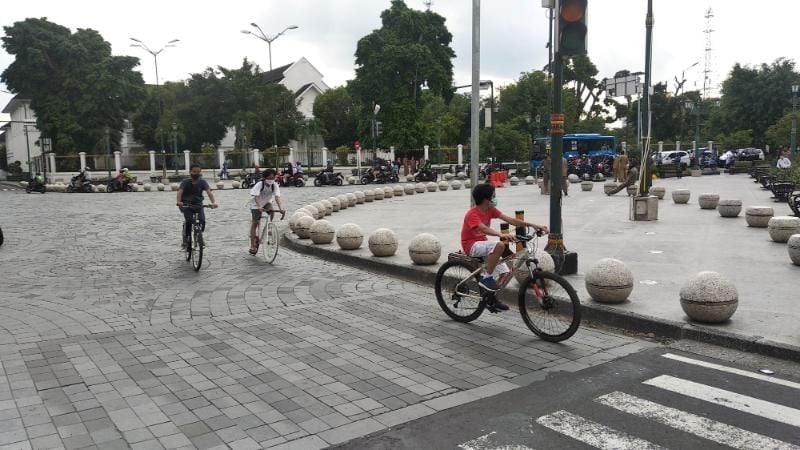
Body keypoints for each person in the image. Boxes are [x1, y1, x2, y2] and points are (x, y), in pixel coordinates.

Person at [461, 184, 549, 309]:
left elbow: (511, 220)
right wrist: (501, 234)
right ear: (486, 199)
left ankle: (491, 299)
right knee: (499, 245)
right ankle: (486, 278)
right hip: (471, 245)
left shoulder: (490, 210)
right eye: (493, 195)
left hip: (483, 244)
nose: (495, 197)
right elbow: (483, 228)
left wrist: (534, 225)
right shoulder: (472, 214)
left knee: (505, 274)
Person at [176, 164, 218, 249]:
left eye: (198, 172)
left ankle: (199, 236)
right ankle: (186, 240)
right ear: (190, 172)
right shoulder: (185, 182)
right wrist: (179, 202)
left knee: (202, 221)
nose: (196, 174)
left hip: (198, 205)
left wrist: (214, 202)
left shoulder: (202, 182)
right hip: (186, 205)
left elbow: (209, 192)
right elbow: (180, 192)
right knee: (189, 220)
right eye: (194, 172)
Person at [249, 169, 283, 254]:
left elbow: (277, 197)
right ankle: (252, 245)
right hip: (256, 204)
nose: (271, 179)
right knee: (255, 223)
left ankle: (270, 226)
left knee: (272, 211)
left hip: (267, 202)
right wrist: (259, 206)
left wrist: (281, 208)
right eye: (269, 178)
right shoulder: (259, 184)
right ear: (265, 178)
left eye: (273, 177)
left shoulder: (274, 185)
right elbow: (256, 196)